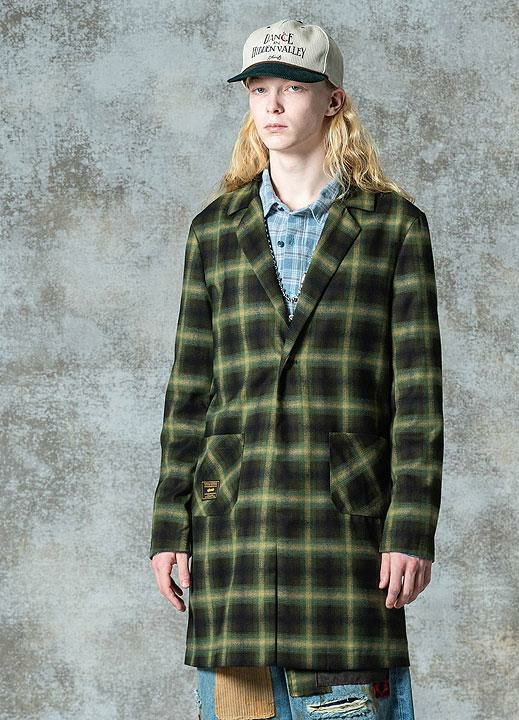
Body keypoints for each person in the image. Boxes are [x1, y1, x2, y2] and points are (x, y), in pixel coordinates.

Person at [149, 18, 444, 720]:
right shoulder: (214, 231)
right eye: (259, 89)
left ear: (333, 100)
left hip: (344, 533)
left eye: (293, 88)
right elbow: (189, 391)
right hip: (235, 530)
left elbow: (417, 397)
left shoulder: (393, 228)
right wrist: (170, 527)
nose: (273, 105)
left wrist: (410, 528)